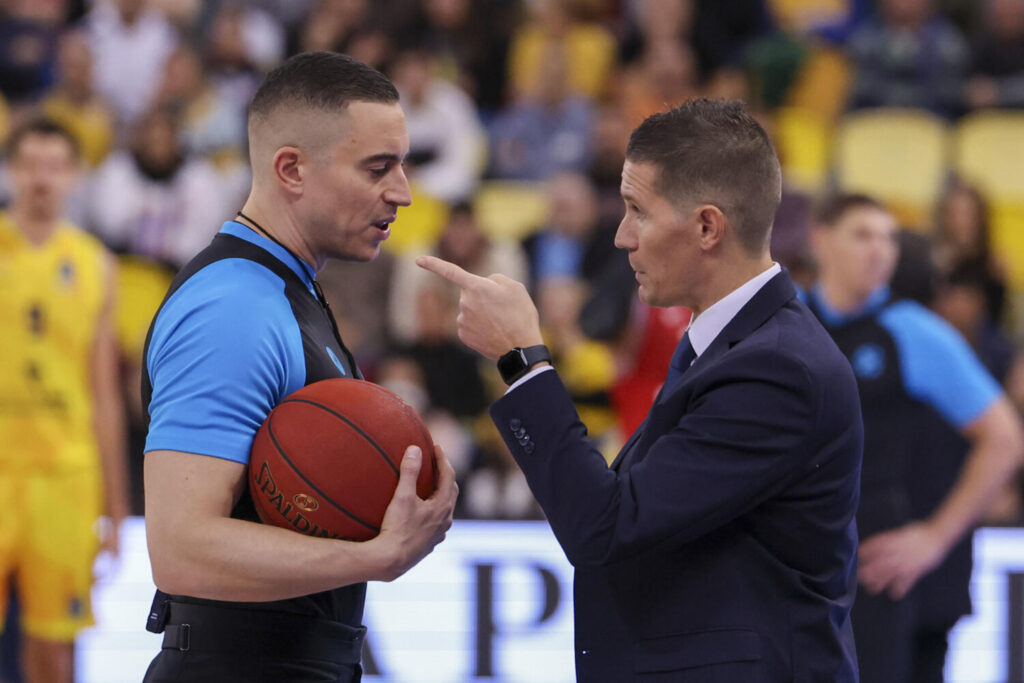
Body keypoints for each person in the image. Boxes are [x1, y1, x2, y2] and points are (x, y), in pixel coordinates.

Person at [419, 99, 863, 681]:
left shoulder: (778, 370)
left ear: (707, 226)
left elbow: (607, 529)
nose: (623, 237)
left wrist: (523, 362)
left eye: (637, 211)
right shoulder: (732, 344)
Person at [141, 51, 458, 682]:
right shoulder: (234, 308)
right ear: (291, 168)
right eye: (379, 168)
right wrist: (379, 555)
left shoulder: (284, 290)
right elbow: (181, 550)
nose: (404, 192)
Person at [805, 193, 1024, 683]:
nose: (879, 250)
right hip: (799, 577)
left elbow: (1005, 439)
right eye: (863, 235)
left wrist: (935, 537)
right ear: (820, 239)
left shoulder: (911, 331)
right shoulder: (789, 321)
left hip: (884, 578)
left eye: (889, 238)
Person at [0, 118, 129, 683]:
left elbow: (104, 391)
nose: (41, 179)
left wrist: (117, 504)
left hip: (65, 477)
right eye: (30, 165)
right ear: (11, 171)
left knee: (54, 650)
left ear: (75, 176)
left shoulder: (96, 264)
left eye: (54, 166)